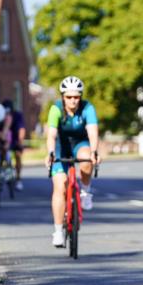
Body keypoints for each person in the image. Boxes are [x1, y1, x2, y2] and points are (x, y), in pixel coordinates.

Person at [44, 76, 99, 248]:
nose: (73, 100)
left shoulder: (88, 108)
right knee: (60, 186)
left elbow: (92, 132)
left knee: (86, 159)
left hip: (80, 144)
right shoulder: (56, 109)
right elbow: (51, 134)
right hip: (61, 146)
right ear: (63, 97)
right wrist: (51, 152)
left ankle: (85, 191)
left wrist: (94, 151)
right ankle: (58, 230)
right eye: (69, 97)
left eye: (76, 97)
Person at [2, 98, 27, 191]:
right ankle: (3, 169)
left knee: (18, 156)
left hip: (15, 140)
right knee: (2, 152)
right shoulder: (1, 116)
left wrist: (20, 141)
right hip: (5, 140)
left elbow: (22, 129)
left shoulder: (17, 115)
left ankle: (18, 179)